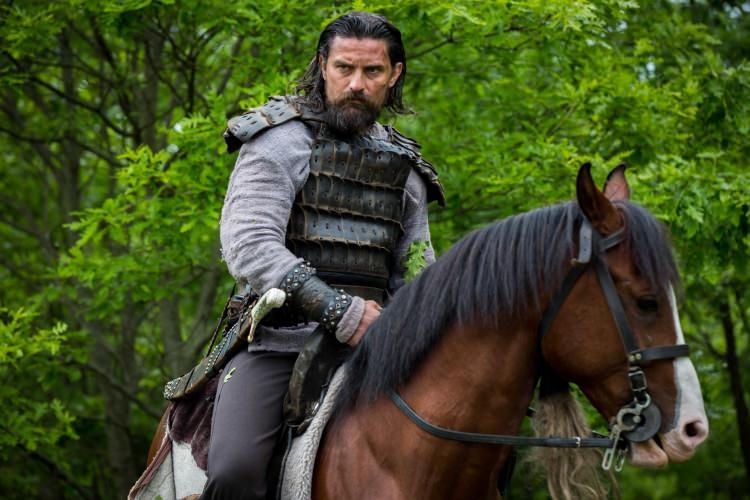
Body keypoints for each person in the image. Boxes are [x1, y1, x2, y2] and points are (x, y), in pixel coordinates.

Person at [202, 11, 445, 499]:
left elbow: (417, 269)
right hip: (279, 343)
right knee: (235, 471)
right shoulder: (277, 140)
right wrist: (342, 313)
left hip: (380, 348)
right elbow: (250, 246)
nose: (357, 84)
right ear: (322, 65)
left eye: (372, 71)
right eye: (344, 68)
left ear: (394, 74)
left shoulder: (405, 165)